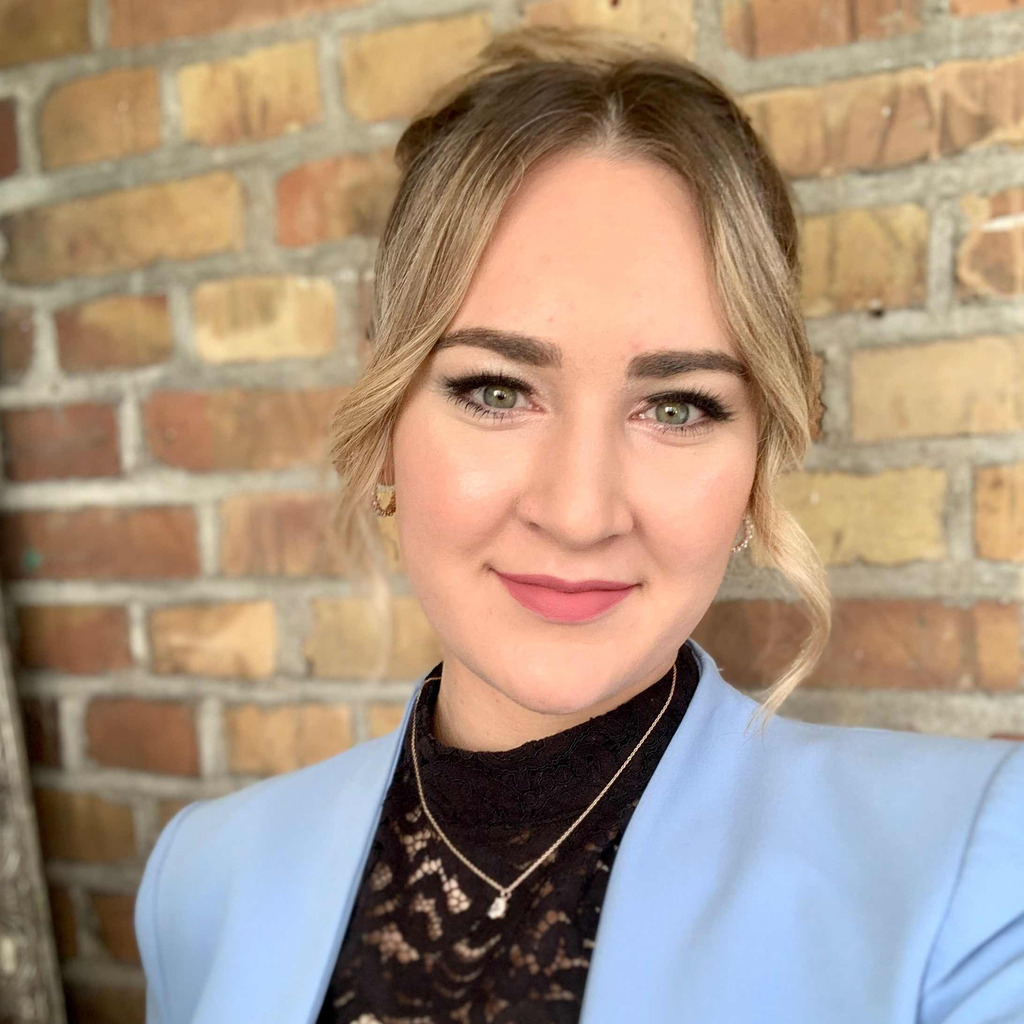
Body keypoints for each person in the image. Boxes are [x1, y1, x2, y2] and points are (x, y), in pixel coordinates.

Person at [133, 25, 1024, 1024]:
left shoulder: (974, 878)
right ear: (385, 422)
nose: (578, 512)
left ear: (759, 455)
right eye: (496, 389)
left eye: (677, 406)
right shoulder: (202, 879)